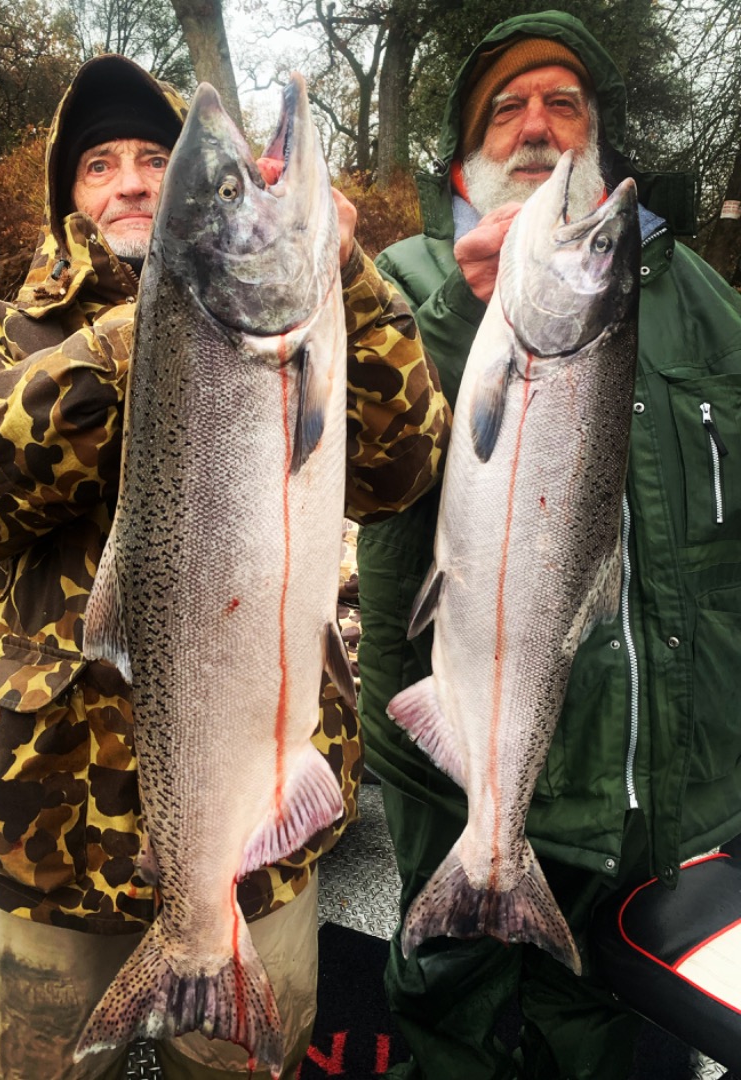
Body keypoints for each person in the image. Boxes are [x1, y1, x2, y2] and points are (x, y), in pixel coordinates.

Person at [0, 54, 449, 1080]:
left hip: (257, 849)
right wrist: (132, 341)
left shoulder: (311, 320)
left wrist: (343, 274)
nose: (134, 180)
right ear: (69, 192)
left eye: (156, 158)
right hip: (43, 845)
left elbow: (406, 462)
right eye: (101, 163)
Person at [357, 10, 741, 1080]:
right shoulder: (394, 282)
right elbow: (357, 463)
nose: (537, 125)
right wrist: (454, 317)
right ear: (461, 158)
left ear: (600, 142)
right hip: (461, 740)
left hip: (653, 758)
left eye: (563, 103)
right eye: (507, 108)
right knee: (453, 1001)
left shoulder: (699, 296)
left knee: (600, 1017)